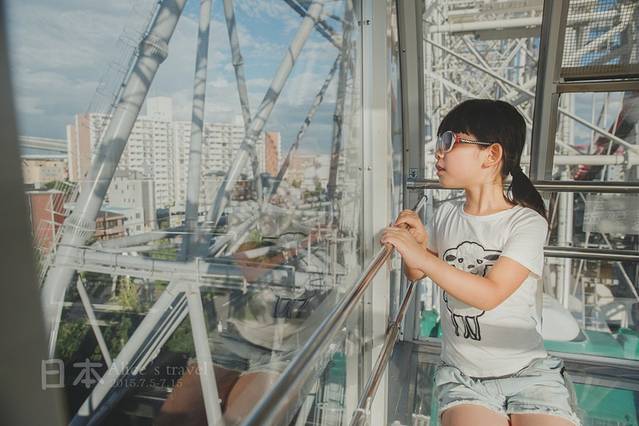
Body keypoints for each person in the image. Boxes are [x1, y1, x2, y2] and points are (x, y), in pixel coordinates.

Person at [380, 99, 582, 426]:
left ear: (491, 155)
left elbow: (490, 294)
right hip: (464, 378)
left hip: (528, 373)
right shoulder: (446, 214)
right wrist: (418, 245)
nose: (438, 152)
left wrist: (422, 256)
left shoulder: (526, 222)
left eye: (450, 141)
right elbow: (416, 273)